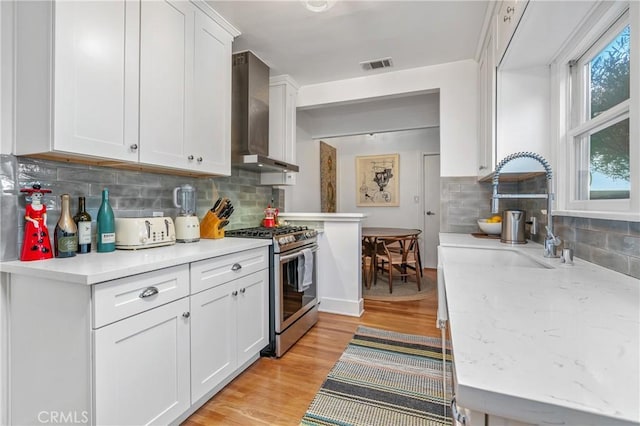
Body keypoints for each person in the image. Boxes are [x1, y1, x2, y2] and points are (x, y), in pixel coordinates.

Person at [20, 183, 53, 261]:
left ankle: (45, 254)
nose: (38, 197)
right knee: (32, 240)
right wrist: (34, 221)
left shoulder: (43, 206)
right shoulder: (29, 207)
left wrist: (45, 222)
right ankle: (30, 256)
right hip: (32, 225)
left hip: (41, 224)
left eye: (39, 195)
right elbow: (27, 217)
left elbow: (44, 215)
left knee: (43, 239)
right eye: (36, 195)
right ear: (31, 196)